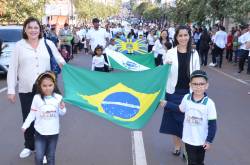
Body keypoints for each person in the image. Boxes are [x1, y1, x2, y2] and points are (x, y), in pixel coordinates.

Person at [7, 17, 65, 159]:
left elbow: (59, 59)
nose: (33, 30)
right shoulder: (19, 46)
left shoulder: (48, 43)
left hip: (45, 89)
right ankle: (29, 145)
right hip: (26, 88)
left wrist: (71, 71)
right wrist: (11, 90)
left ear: (40, 30)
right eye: (30, 27)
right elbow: (13, 69)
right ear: (25, 30)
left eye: (36, 27)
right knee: (28, 117)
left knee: (44, 119)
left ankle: (43, 151)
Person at [159, 25, 200, 157]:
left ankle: (187, 150)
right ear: (176, 37)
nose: (183, 38)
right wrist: (166, 64)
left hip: (188, 93)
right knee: (174, 123)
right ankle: (177, 146)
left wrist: (197, 92)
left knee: (188, 123)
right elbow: (163, 74)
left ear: (189, 36)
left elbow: (197, 74)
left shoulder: (194, 53)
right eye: (180, 35)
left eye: (186, 35)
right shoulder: (170, 53)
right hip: (172, 92)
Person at [161, 70, 217, 165]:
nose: (198, 87)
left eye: (201, 84)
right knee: (191, 162)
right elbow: (180, 109)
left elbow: (213, 124)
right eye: (195, 84)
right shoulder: (186, 98)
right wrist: (167, 104)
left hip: (202, 140)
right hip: (188, 139)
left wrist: (209, 140)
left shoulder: (209, 103)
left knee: (200, 161)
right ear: (190, 85)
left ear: (206, 85)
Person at [21, 71, 66, 165]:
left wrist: (62, 108)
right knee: (39, 156)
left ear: (54, 85)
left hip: (53, 133)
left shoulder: (58, 97)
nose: (47, 88)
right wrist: (26, 125)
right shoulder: (37, 98)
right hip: (40, 132)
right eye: (44, 85)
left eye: (50, 85)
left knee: (51, 156)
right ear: (40, 87)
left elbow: (62, 113)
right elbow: (32, 113)